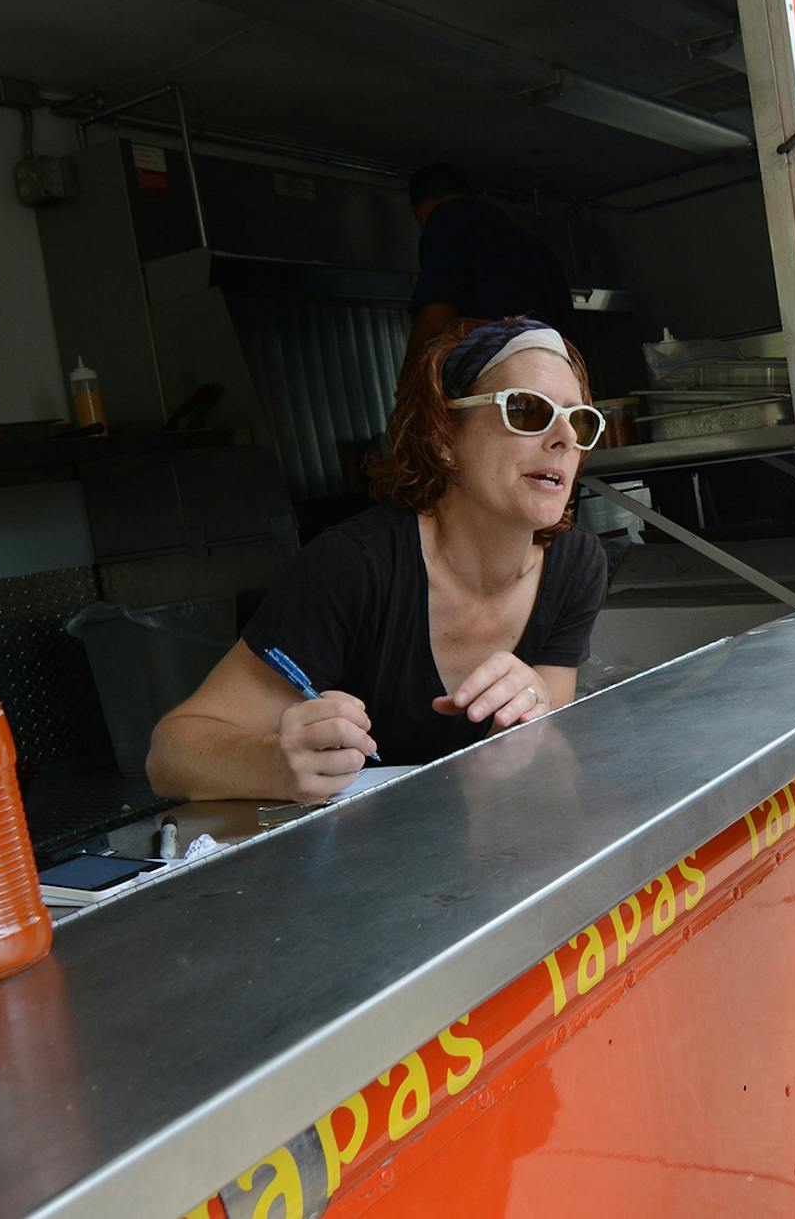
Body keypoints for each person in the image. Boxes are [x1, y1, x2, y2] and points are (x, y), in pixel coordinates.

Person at [148, 318, 609, 804]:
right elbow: (169, 757)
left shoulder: (575, 566)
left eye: (580, 420)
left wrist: (540, 711)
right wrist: (274, 764)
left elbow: (551, 762)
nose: (564, 438)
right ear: (443, 441)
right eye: (526, 410)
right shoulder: (356, 567)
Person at [402, 163, 576, 370]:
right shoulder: (530, 244)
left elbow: (435, 320)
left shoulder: (446, 221)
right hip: (554, 372)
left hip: (501, 374)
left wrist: (409, 385)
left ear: (418, 212)